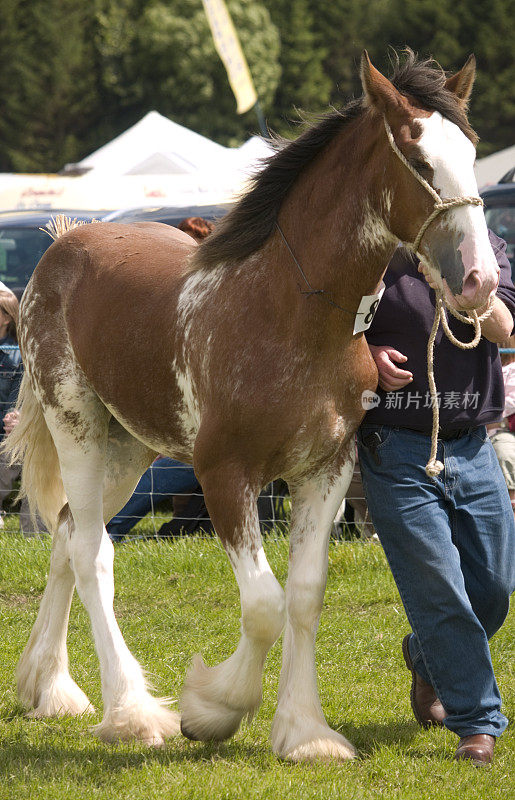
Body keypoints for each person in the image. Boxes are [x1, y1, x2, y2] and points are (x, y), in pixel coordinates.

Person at [357, 231, 515, 765]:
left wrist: (468, 294)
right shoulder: (371, 249)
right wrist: (365, 354)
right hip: (395, 446)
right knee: (441, 588)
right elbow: (323, 329)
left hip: (472, 445)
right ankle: (477, 722)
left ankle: (425, 658)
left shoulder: (479, 245)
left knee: (493, 588)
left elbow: (506, 326)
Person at [0, 289, 31, 533]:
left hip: (7, 433)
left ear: (6, 318)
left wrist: (13, 414)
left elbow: (16, 398)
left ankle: (33, 534)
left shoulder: (18, 354)